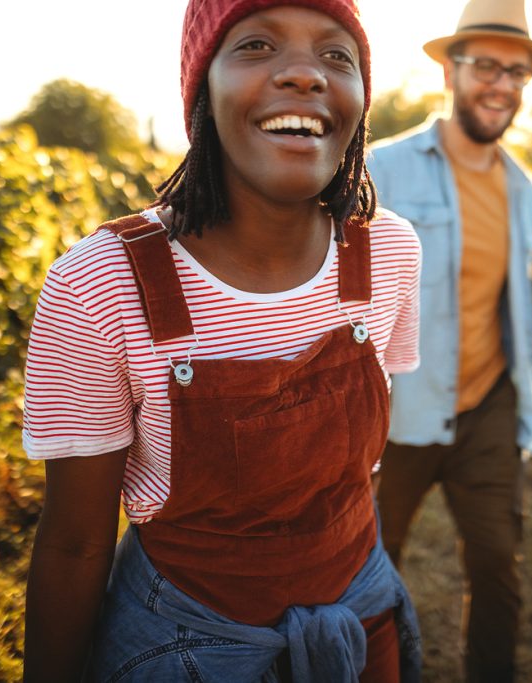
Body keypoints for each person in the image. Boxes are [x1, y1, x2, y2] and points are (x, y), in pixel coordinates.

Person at [21, 1, 422, 681]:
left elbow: (354, 476)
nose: (304, 75)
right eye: (258, 45)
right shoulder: (101, 284)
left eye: (336, 55)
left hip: (360, 615)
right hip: (187, 645)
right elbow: (75, 543)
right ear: (201, 88)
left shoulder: (389, 252)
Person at [367, 0, 532, 680]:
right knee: (365, 576)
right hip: (397, 414)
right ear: (450, 69)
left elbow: (510, 303)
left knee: (498, 567)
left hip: (487, 405)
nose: (501, 85)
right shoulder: (380, 170)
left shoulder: (524, 189)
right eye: (485, 66)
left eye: (517, 72)